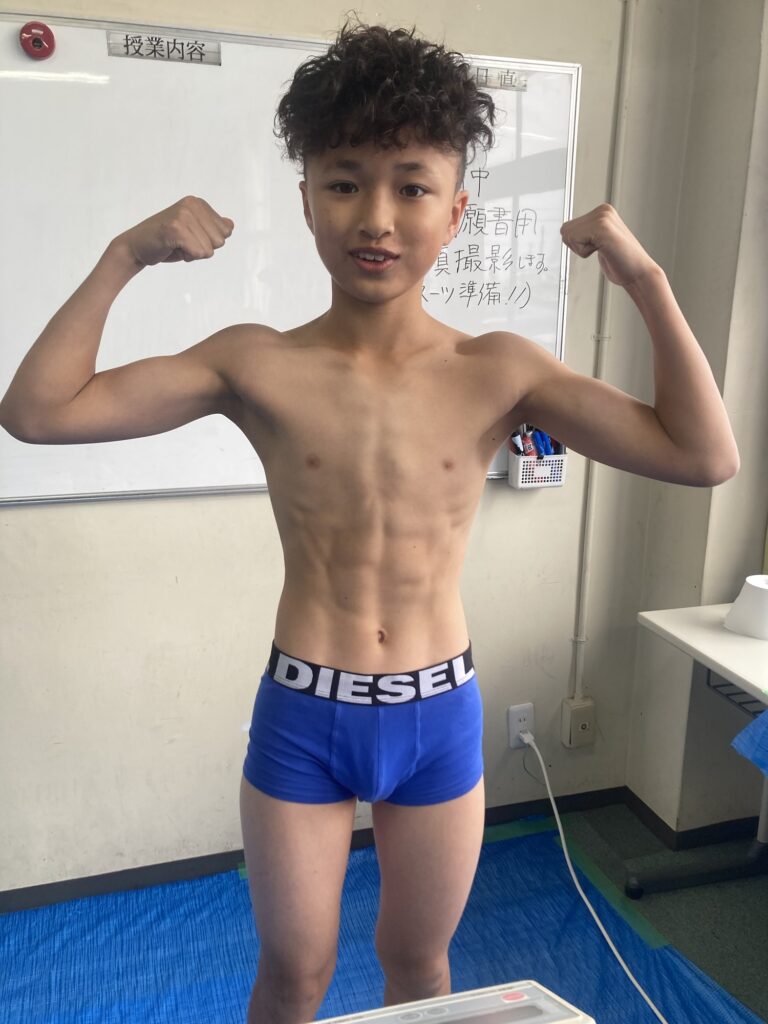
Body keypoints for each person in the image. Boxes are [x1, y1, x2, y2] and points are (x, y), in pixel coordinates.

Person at [0, 18, 739, 1024]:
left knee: (420, 966)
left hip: (439, 714)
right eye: (345, 182)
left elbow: (704, 456)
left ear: (457, 208)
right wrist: (125, 254)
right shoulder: (255, 361)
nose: (376, 218)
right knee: (293, 973)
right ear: (307, 198)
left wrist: (646, 282)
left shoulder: (500, 369)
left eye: (412, 186)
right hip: (305, 714)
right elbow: (38, 411)